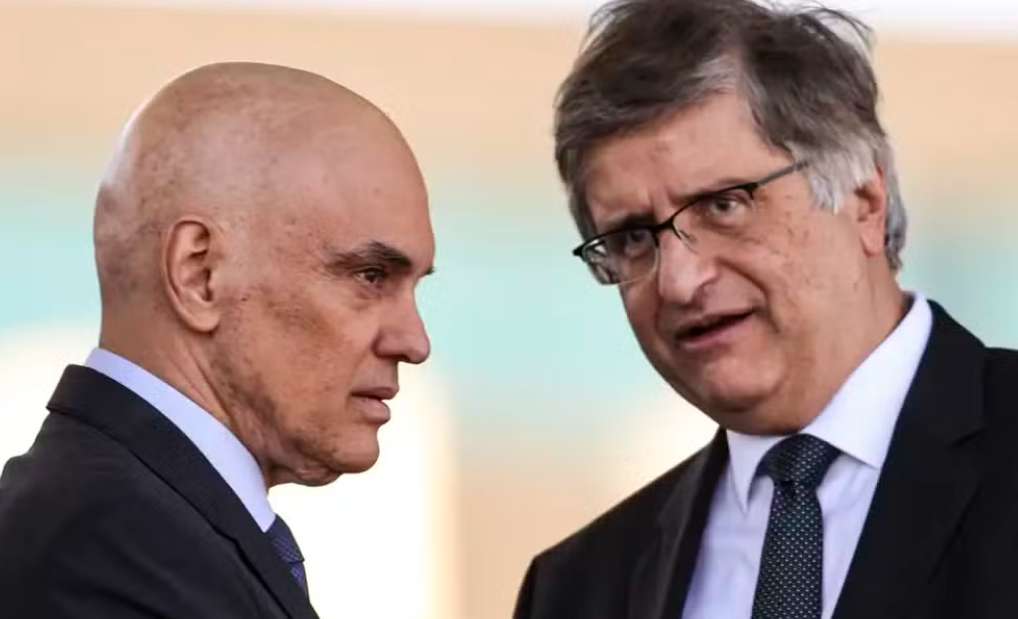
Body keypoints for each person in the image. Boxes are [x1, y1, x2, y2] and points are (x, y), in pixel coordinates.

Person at [513, 1, 1018, 618]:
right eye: (634, 238)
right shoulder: (576, 590)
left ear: (864, 199)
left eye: (723, 206)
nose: (680, 281)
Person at [0, 62, 434, 618]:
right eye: (370, 276)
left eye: (415, 286)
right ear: (200, 274)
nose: (414, 342)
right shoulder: (102, 552)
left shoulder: (137, 529)